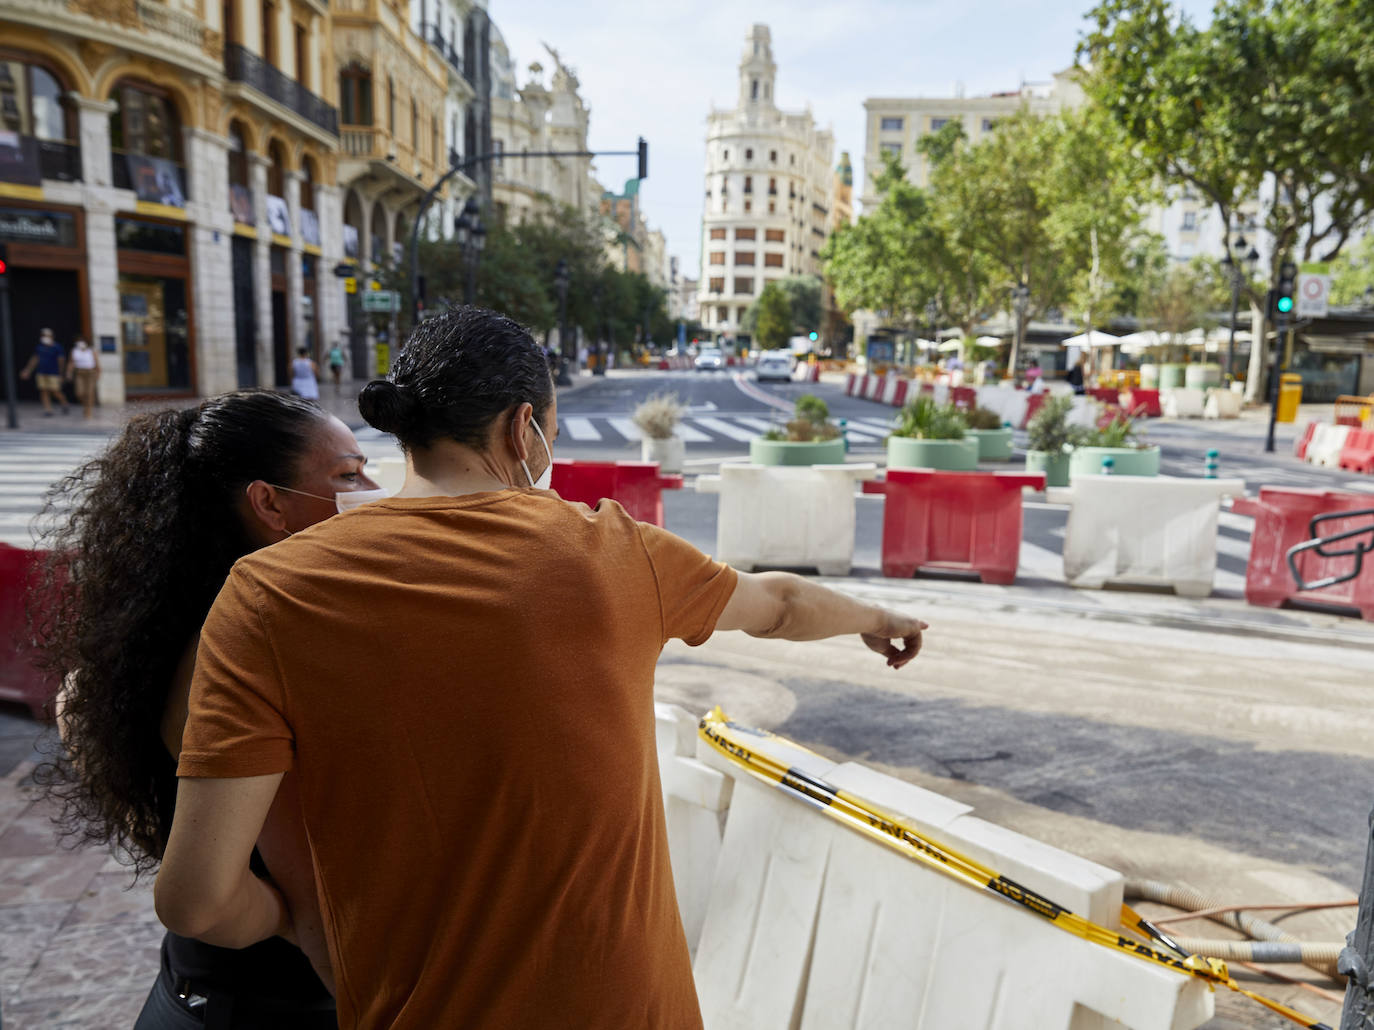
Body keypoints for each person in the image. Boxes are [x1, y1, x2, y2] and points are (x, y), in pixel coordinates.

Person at [153, 306, 927, 1030]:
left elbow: (196, 900)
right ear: (525, 429)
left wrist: (299, 920)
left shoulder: (263, 595)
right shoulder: (615, 555)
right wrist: (878, 619)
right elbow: (781, 604)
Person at [34, 390, 384, 1028]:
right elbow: (203, 898)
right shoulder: (260, 651)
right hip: (276, 1007)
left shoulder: (140, 650)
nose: (373, 487)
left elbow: (156, 820)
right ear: (269, 503)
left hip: (189, 991)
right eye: (347, 474)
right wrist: (294, 917)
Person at [19, 327, 68, 415]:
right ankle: (48, 410)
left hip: (54, 372)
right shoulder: (39, 347)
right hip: (41, 372)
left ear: (52, 336)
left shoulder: (57, 347)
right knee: (43, 390)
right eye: (43, 335)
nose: (44, 337)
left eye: (46, 335)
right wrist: (27, 370)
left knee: (55, 391)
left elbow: (61, 361)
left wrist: (61, 374)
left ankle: (64, 404)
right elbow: (35, 359)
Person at [66, 336, 99, 419]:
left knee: (89, 393)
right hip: (79, 373)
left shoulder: (91, 350)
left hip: (90, 373)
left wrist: (98, 373)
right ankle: (85, 405)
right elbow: (71, 362)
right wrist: (69, 372)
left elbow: (97, 362)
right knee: (79, 393)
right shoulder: (74, 351)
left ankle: (88, 410)